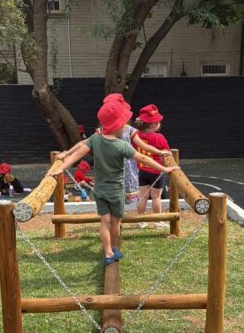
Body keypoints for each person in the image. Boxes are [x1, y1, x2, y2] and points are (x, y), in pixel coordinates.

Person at [47, 97, 180, 265]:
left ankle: (108, 251)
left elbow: (78, 153)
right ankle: (114, 247)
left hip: (100, 190)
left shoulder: (95, 139)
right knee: (116, 222)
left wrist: (62, 167)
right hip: (116, 191)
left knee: (104, 222)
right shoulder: (122, 145)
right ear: (118, 125)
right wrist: (164, 168)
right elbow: (143, 158)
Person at [134, 104, 172, 228]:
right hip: (157, 171)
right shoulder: (159, 137)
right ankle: (158, 221)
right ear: (153, 125)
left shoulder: (136, 135)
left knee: (143, 196)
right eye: (158, 122)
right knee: (156, 197)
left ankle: (140, 220)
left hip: (142, 170)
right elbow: (167, 152)